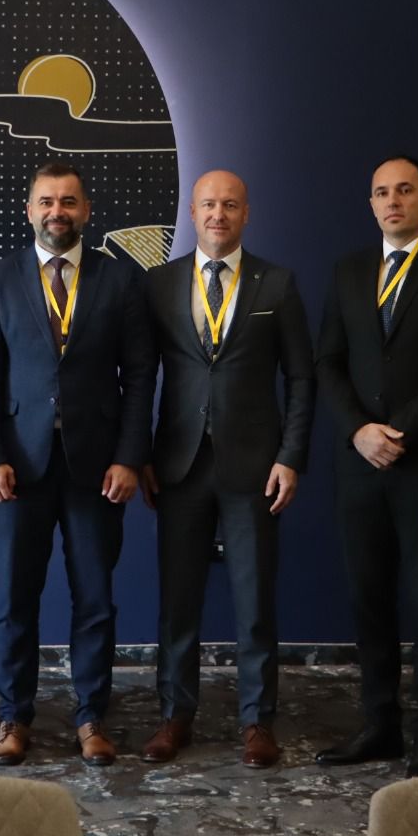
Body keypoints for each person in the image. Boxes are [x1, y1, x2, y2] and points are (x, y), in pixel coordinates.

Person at [0, 162, 155, 766]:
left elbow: (141, 378)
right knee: (14, 602)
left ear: (86, 210)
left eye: (68, 201)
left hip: (96, 470)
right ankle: (12, 718)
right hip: (18, 471)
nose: (57, 212)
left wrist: (129, 458)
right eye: (46, 201)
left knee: (95, 601)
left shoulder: (121, 280)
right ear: (29, 210)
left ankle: (91, 717)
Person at [312, 156, 418, 777]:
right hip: (360, 460)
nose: (393, 201)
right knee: (369, 598)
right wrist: (359, 431)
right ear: (371, 204)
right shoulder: (349, 269)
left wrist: (399, 432)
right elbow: (328, 361)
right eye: (382, 192)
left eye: (405, 190)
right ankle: (380, 725)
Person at [139, 170, 314, 769]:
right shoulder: (159, 283)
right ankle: (174, 716)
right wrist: (140, 455)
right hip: (178, 465)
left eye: (231, 205)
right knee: (177, 601)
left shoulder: (278, 283)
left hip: (255, 466)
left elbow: (302, 378)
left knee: (255, 599)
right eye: (209, 204)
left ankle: (257, 721)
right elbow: (140, 376)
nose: (219, 214)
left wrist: (290, 456)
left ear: (246, 214)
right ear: (193, 212)